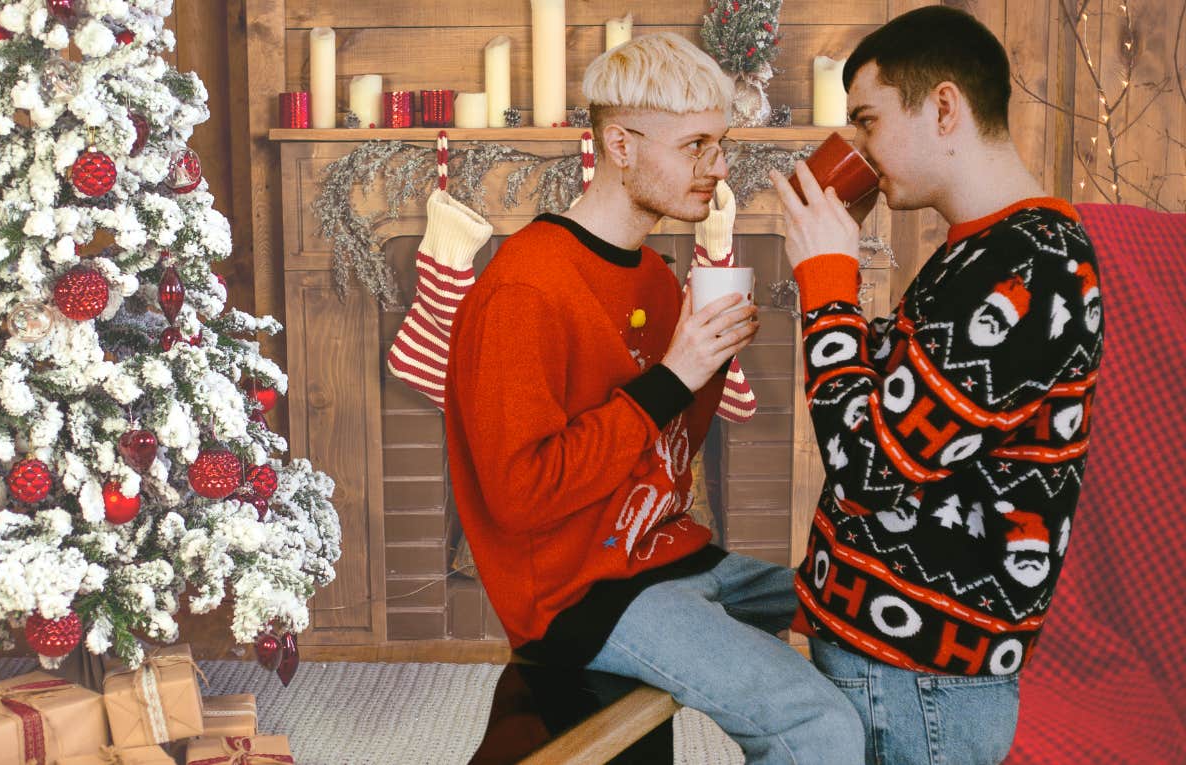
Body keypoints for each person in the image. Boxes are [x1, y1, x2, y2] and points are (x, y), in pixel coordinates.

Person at [445, 32, 864, 764]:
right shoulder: (525, 287)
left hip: (665, 554)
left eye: (721, 143)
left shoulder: (653, 278)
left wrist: (705, 362)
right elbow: (519, 493)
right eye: (696, 144)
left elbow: (663, 452)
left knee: (857, 605)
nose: (720, 167)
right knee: (815, 724)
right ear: (621, 145)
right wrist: (674, 374)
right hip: (581, 593)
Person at [768, 6, 1104, 763]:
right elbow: (907, 399)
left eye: (869, 121)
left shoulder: (1034, 263)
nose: (860, 147)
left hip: (923, 675)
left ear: (944, 107)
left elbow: (871, 465)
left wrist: (828, 286)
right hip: (890, 652)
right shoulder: (980, 248)